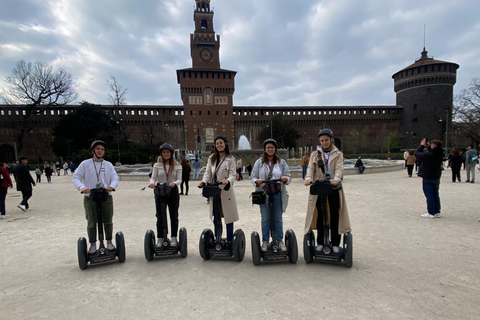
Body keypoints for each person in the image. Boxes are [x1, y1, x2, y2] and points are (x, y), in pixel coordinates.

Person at [304, 129, 351, 254]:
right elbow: (310, 168)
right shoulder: (315, 154)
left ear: (331, 140)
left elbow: (339, 168)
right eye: (322, 141)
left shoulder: (338, 154)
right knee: (320, 215)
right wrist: (308, 178)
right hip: (320, 187)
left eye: (326, 140)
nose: (324, 143)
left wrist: (336, 178)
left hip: (333, 188)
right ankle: (320, 242)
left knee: (335, 215)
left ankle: (335, 243)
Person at [73, 140, 119, 254]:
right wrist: (82, 187)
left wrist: (111, 186)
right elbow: (76, 177)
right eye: (98, 149)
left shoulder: (108, 165)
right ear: (93, 150)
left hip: (105, 195)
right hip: (90, 196)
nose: (100, 151)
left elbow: (115, 177)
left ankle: (109, 241)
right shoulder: (85, 164)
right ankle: (92, 243)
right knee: (91, 221)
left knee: (108, 220)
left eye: (102, 149)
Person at [251, 139, 291, 252]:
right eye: (268, 147)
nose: (270, 149)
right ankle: (265, 241)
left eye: (272, 147)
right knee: (265, 218)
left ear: (275, 149)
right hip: (264, 193)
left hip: (278, 192)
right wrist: (256, 181)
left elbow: (288, 176)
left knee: (278, 218)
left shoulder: (281, 162)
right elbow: (252, 176)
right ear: (264, 149)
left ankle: (279, 241)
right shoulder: (259, 162)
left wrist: (285, 178)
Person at [199, 135, 239, 243]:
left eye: (221, 143)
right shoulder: (212, 158)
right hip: (214, 189)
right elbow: (207, 172)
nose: (219, 145)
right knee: (216, 216)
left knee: (228, 216)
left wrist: (228, 181)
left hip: (226, 190)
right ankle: (218, 239)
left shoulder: (231, 159)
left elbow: (232, 174)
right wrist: (203, 181)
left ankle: (230, 240)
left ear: (225, 144)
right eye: (217, 144)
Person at [148, 143, 182, 247]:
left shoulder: (177, 166)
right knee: (160, 215)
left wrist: (174, 183)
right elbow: (153, 177)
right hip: (160, 191)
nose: (166, 154)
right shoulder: (157, 165)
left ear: (171, 153)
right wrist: (152, 182)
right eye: (164, 152)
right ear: (161, 154)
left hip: (172, 191)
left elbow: (179, 179)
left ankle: (174, 237)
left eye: (168, 152)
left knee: (173, 215)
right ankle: (160, 238)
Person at [415, 138, 444, 218]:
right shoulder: (440, 153)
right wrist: (428, 147)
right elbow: (432, 153)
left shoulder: (430, 155)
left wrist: (421, 145)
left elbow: (418, 154)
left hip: (428, 175)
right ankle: (437, 211)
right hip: (436, 175)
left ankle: (431, 212)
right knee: (435, 194)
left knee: (429, 195)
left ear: (434, 145)